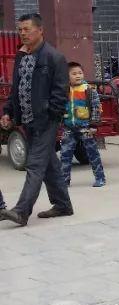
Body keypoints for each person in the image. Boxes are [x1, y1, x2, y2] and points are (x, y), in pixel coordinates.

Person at [0, 13, 73, 227]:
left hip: (46, 120)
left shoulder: (54, 57)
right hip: (27, 120)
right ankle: (63, 204)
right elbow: (17, 89)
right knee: (49, 163)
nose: (23, 33)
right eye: (20, 29)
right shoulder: (21, 56)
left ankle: (21, 211)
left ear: (40, 30)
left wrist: (52, 115)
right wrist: (9, 112)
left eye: (27, 29)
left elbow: (61, 92)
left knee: (35, 165)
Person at [59, 62, 106, 188]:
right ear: (67, 76)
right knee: (65, 154)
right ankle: (64, 180)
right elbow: (60, 107)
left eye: (80, 73)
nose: (78, 76)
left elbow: (96, 108)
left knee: (92, 153)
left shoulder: (89, 90)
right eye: (74, 74)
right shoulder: (64, 91)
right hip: (68, 127)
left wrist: (94, 125)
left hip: (86, 127)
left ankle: (100, 178)